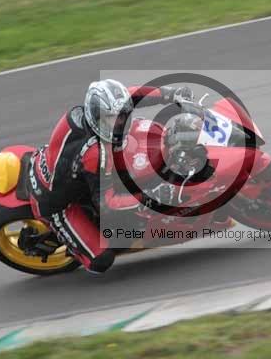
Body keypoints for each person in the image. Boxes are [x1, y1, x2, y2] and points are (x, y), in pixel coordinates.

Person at [24, 79, 193, 274]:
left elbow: (132, 95)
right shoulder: (95, 153)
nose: (119, 123)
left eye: (121, 117)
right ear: (96, 116)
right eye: (111, 119)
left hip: (55, 165)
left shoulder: (81, 113)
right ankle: (62, 241)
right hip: (55, 203)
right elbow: (107, 202)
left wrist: (170, 94)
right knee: (101, 261)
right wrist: (150, 197)